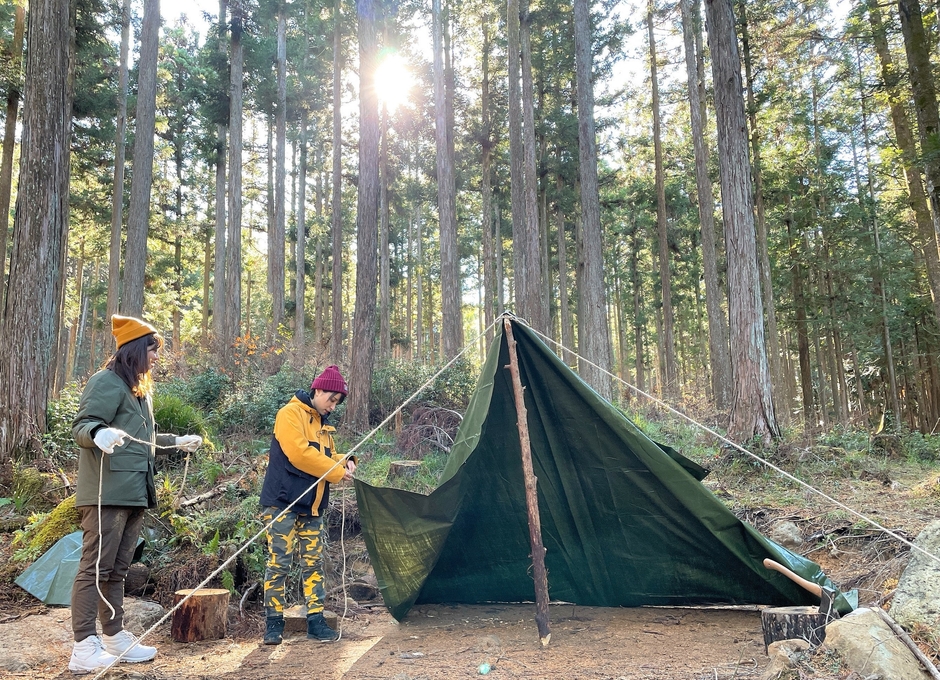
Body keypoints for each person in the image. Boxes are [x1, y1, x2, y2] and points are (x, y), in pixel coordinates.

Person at [69, 315, 203, 674]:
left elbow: (143, 441)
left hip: (134, 493)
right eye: (152, 350)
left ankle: (114, 637)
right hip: (105, 493)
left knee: (117, 571)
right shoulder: (105, 381)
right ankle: (83, 646)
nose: (157, 357)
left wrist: (177, 442)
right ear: (134, 350)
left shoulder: (138, 391)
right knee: (94, 569)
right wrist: (98, 433)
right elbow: (82, 425)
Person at [260, 364, 356, 645]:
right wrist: (336, 471)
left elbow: (327, 456)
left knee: (313, 563)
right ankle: (273, 624)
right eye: (331, 399)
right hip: (282, 503)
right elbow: (300, 454)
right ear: (318, 390)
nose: (333, 406)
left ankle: (316, 621)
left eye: (337, 403)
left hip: (312, 506)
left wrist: (346, 461)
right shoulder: (289, 414)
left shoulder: (323, 426)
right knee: (279, 563)